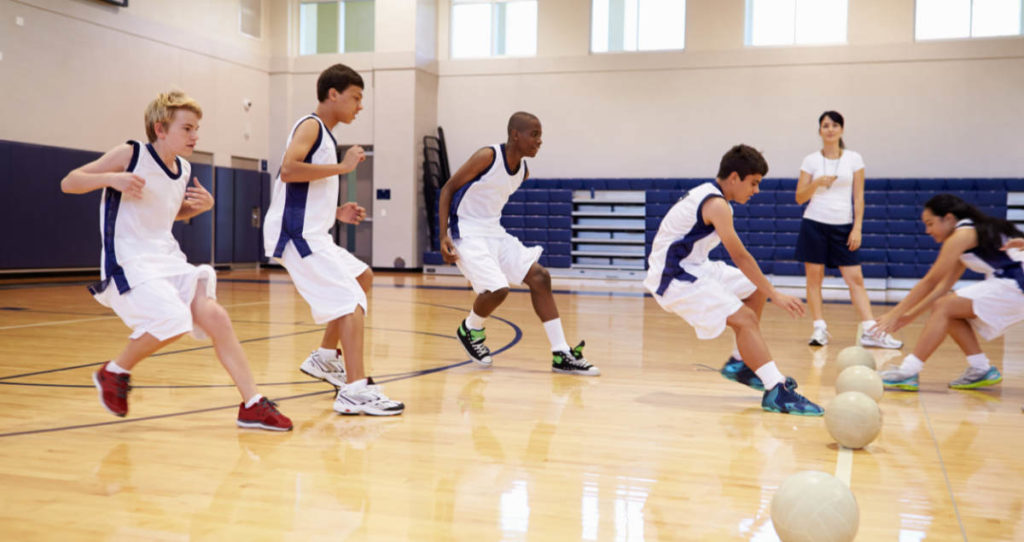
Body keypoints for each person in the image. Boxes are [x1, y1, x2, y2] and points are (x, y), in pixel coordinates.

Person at [61, 90, 292, 431]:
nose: (195, 136)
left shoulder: (182, 169)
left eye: (196, 128)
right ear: (160, 129)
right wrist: (111, 178)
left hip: (167, 257)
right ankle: (114, 372)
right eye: (187, 128)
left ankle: (252, 404)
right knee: (173, 319)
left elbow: (165, 217)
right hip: (130, 260)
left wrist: (199, 208)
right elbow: (69, 182)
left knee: (217, 318)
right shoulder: (131, 154)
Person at [263, 63, 403, 416]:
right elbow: (289, 170)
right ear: (332, 94)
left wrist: (336, 211)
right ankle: (355, 390)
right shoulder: (311, 125)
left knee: (362, 277)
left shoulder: (325, 134)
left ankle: (325, 358)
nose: (360, 106)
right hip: (297, 234)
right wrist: (343, 168)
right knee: (349, 299)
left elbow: (305, 186)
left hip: (314, 231)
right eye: (356, 98)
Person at [644, 144, 823, 416]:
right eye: (753, 183)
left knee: (754, 289)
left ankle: (740, 364)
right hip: (674, 277)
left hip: (694, 266)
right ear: (734, 177)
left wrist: (767, 291)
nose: (756, 190)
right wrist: (776, 294)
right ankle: (776, 391)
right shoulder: (716, 204)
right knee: (745, 319)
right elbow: (740, 256)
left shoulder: (715, 197)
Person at [437, 112, 599, 376]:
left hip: (494, 232)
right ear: (515, 135)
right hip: (466, 231)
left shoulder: (523, 171)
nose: (539, 141)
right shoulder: (487, 157)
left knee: (540, 277)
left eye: (540, 136)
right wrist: (443, 234)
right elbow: (448, 188)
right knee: (498, 289)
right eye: (534, 135)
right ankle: (471, 329)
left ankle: (561, 354)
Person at [873, 194, 1024, 391]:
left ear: (950, 219)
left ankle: (908, 372)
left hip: (1015, 284)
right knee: (949, 311)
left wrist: (895, 313)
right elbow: (942, 288)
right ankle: (980, 368)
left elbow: (930, 281)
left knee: (946, 306)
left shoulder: (962, 235)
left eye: (930, 223)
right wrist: (909, 316)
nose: (928, 230)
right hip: (1010, 284)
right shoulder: (967, 236)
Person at [794, 111, 901, 349]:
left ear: (841, 129)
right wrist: (816, 183)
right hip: (814, 223)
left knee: (855, 279)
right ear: (819, 131)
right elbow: (799, 197)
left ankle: (870, 330)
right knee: (814, 279)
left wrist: (857, 227)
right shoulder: (810, 160)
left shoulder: (854, 158)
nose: (830, 129)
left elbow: (859, 197)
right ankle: (819, 328)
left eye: (834, 125)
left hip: (843, 225)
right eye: (825, 125)